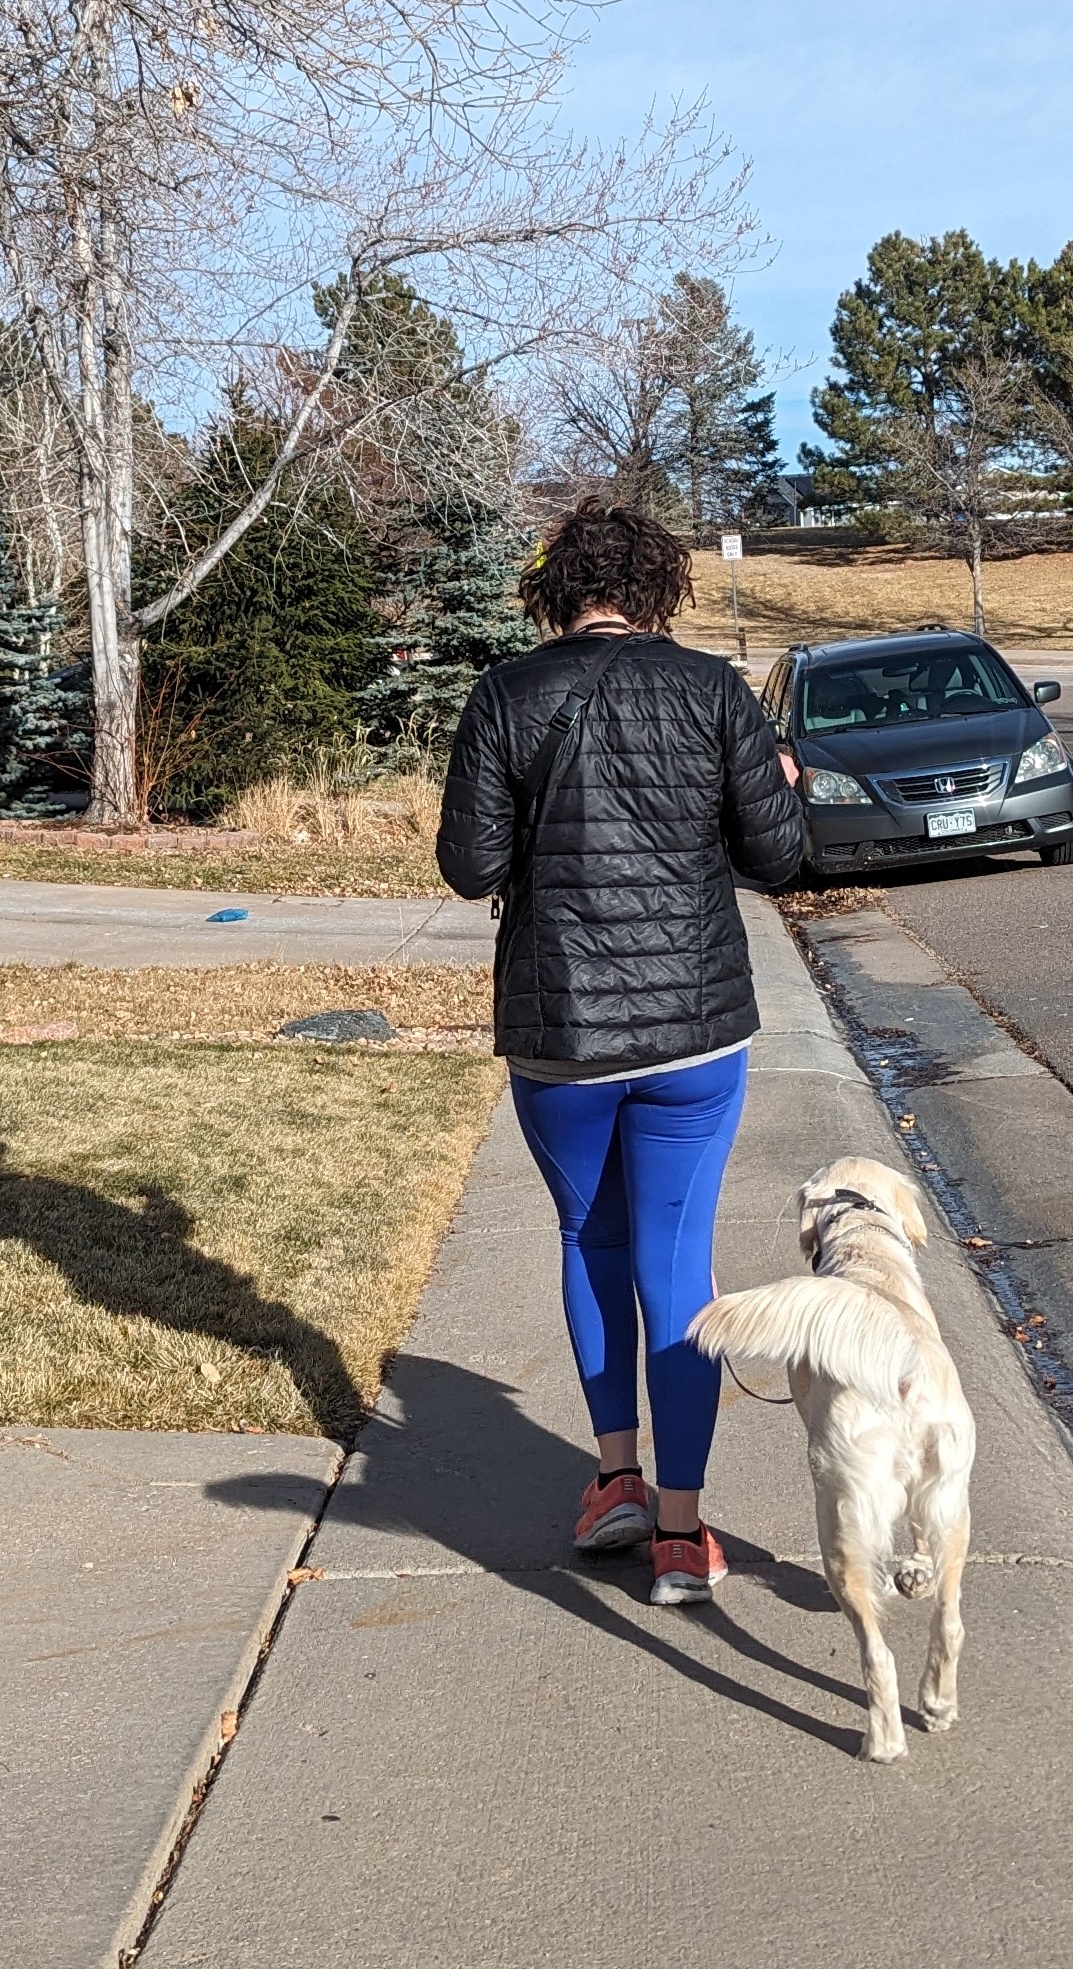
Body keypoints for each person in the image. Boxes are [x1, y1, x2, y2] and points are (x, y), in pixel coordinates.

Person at [437, 498, 804, 1604]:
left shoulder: (503, 695)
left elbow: (470, 865)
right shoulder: (711, 691)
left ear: (555, 590)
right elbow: (775, 862)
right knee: (675, 1261)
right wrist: (779, 784)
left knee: (588, 1239)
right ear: (658, 589)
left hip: (558, 1035)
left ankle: (615, 1478)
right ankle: (683, 1538)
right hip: (692, 1030)